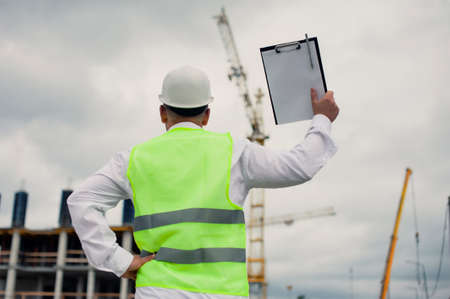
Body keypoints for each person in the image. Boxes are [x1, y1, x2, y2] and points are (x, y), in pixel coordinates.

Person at [68, 65, 339, 299]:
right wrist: (322, 119)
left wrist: (120, 261)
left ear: (163, 112)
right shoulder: (235, 152)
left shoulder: (133, 159)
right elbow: (300, 166)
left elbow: (81, 201)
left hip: (158, 292)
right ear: (207, 115)